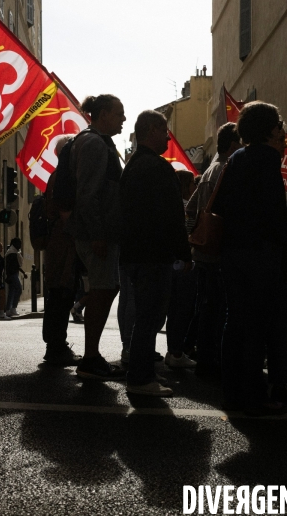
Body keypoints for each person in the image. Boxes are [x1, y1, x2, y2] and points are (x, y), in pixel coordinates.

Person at [213, 101, 287, 416]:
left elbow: (219, 206)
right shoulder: (269, 159)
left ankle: (233, 392)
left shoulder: (235, 158)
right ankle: (255, 393)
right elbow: (277, 218)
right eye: (278, 123)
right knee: (260, 325)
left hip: (232, 251)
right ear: (270, 129)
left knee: (235, 322)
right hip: (261, 253)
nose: (281, 128)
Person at [120, 110, 192, 396]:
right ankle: (140, 379)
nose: (167, 136)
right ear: (150, 130)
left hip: (137, 254)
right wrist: (184, 254)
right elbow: (172, 215)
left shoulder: (133, 166)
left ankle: (143, 374)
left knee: (146, 317)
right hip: (153, 255)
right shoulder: (157, 168)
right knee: (150, 317)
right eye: (164, 130)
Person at [66, 94, 126, 380]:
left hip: (99, 233)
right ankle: (90, 358)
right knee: (103, 290)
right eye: (119, 114)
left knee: (106, 289)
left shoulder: (96, 141)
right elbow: (87, 194)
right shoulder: (93, 143)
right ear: (103, 114)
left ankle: (92, 356)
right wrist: (98, 235)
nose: (123, 119)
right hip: (96, 235)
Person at [185, 122, 241, 378]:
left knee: (207, 307)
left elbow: (190, 209)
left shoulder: (208, 170)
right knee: (217, 309)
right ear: (233, 144)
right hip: (218, 251)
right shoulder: (226, 169)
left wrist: (194, 236)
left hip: (203, 252)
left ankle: (204, 358)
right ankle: (212, 361)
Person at [41, 135, 82, 366]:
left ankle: (56, 344)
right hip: (63, 242)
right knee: (61, 292)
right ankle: (56, 346)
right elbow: (65, 215)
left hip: (59, 242)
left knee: (60, 293)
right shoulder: (62, 178)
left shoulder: (57, 176)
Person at [163, 168, 198, 369]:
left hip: (171, 262)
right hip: (184, 261)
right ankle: (176, 352)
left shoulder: (171, 205)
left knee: (172, 310)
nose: (194, 187)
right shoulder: (186, 208)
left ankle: (174, 350)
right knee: (182, 309)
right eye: (193, 184)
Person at [5, 237, 28, 318]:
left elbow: (16, 265)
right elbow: (15, 266)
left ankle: (9, 309)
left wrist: (23, 273)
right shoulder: (12, 253)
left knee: (11, 292)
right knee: (18, 289)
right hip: (12, 275)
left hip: (13, 274)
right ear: (15, 244)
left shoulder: (13, 252)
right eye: (19, 243)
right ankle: (13, 308)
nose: (20, 245)